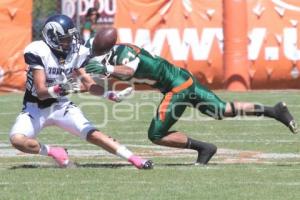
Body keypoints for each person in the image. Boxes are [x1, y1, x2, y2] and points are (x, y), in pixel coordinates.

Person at [84, 27, 298, 165]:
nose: (94, 55)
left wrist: (108, 70)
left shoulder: (125, 55)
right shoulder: (110, 49)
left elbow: (128, 71)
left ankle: (203, 147)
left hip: (176, 87)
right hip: (183, 78)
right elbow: (92, 57)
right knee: (222, 110)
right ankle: (274, 111)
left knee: (156, 134)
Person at [9, 15, 153, 169]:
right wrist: (61, 88)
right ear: (51, 37)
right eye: (65, 38)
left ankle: (136, 160)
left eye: (71, 37)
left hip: (60, 106)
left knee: (92, 133)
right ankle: (54, 151)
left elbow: (89, 84)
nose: (70, 42)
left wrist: (110, 95)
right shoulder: (38, 51)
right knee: (17, 140)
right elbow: (41, 91)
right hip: (34, 107)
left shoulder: (75, 52)